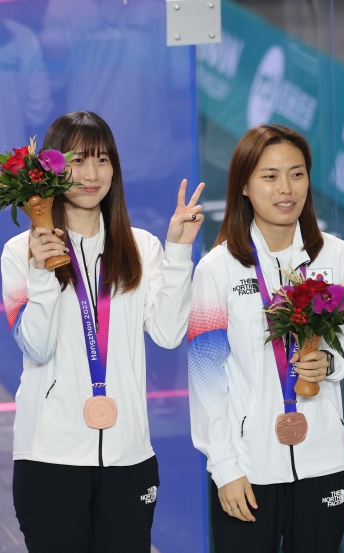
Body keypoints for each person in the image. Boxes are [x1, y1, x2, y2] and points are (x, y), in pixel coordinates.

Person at [1, 111, 204, 552]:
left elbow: (168, 333)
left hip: (129, 457)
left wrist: (178, 251)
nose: (92, 175)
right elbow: (36, 348)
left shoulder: (141, 246)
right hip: (50, 458)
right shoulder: (20, 252)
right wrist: (42, 273)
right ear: (50, 169)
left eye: (103, 159)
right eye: (77, 161)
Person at [188, 124, 344, 553]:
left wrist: (329, 362)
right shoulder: (218, 269)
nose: (286, 188)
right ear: (244, 185)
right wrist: (225, 467)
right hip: (248, 469)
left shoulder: (337, 255)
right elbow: (207, 380)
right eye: (270, 176)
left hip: (324, 460)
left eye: (297, 174)